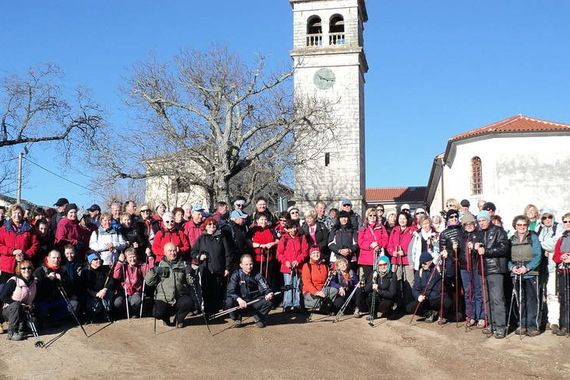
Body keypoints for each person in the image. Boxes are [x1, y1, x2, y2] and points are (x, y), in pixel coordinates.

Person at [145, 242, 197, 327]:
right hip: (163, 298)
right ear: (165, 252)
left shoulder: (183, 264)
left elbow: (191, 282)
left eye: (174, 250)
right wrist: (154, 271)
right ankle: (166, 319)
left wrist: (190, 273)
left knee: (188, 302)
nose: (173, 253)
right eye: (170, 251)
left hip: (179, 296)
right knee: (157, 312)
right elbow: (149, 282)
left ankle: (179, 320)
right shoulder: (159, 264)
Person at [476, 210, 510, 339]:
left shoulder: (499, 231)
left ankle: (501, 326)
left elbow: (504, 248)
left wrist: (487, 251)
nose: (481, 223)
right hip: (483, 269)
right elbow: (478, 248)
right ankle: (492, 324)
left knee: (497, 299)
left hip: (495, 269)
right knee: (487, 299)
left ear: (488, 220)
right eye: (479, 221)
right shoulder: (479, 233)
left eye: (483, 220)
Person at [508, 215, 542, 336]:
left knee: (532, 300)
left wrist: (527, 268)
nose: (522, 227)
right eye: (519, 225)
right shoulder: (511, 239)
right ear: (515, 226)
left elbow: (538, 256)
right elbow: (507, 258)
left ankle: (533, 326)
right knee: (520, 300)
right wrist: (512, 267)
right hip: (516, 273)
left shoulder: (533, 237)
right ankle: (522, 324)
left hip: (531, 273)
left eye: (524, 225)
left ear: (527, 225)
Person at [191, 217, 232, 314]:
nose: (212, 226)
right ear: (205, 226)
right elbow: (193, 252)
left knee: (217, 291)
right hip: (206, 270)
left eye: (214, 224)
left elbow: (228, 254)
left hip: (219, 269)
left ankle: (217, 311)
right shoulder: (201, 238)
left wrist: (227, 267)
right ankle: (208, 312)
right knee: (206, 291)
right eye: (209, 224)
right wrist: (199, 257)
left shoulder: (222, 237)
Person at [225, 254, 274, 328]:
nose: (249, 266)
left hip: (253, 301)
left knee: (269, 302)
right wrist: (239, 299)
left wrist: (269, 293)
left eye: (251, 264)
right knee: (229, 301)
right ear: (241, 265)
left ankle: (258, 317)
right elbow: (230, 290)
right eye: (246, 264)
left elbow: (265, 287)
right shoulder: (236, 274)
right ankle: (237, 318)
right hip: (240, 302)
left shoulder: (257, 274)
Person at [33, 249, 77, 325]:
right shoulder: (39, 271)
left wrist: (62, 280)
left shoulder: (63, 270)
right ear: (48, 258)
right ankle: (47, 319)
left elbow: (69, 288)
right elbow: (36, 289)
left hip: (58, 300)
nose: (56, 260)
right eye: (53, 258)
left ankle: (55, 318)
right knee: (40, 309)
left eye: (58, 258)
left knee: (74, 305)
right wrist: (47, 279)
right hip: (44, 301)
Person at [537, 208, 563, 334]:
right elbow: (537, 243)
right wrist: (545, 247)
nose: (547, 220)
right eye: (544, 217)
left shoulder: (558, 228)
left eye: (549, 217)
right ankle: (545, 319)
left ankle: (554, 321)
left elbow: (556, 244)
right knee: (543, 295)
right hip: (542, 266)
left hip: (553, 266)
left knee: (553, 294)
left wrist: (543, 245)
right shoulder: (540, 229)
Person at [0, 204, 39, 285]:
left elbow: (35, 245)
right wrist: (12, 251)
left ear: (23, 214)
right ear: (11, 214)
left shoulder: (29, 229)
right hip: (7, 266)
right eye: (14, 213)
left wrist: (25, 255)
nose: (17, 215)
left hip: (24, 267)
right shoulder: (3, 229)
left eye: (19, 213)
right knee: (5, 291)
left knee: (22, 291)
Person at [407, 252, 450, 323]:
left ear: (430, 261)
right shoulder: (420, 272)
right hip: (426, 299)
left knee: (447, 301)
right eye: (421, 263)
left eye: (424, 263)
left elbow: (449, 273)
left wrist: (447, 259)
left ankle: (441, 315)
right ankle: (429, 313)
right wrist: (418, 296)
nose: (423, 265)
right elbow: (415, 289)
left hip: (438, 298)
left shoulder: (438, 269)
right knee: (410, 308)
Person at [460, 213, 486, 328]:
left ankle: (481, 316)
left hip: (476, 266)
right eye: (467, 224)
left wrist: (475, 247)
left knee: (479, 292)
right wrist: (454, 250)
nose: (469, 226)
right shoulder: (461, 236)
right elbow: (457, 255)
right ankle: (470, 315)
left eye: (471, 223)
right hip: (465, 268)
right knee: (468, 292)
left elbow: (482, 247)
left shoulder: (479, 234)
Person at [0, 260, 37, 341]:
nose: (26, 270)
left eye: (29, 268)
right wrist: (19, 304)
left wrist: (31, 305)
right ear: (19, 270)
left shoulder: (34, 282)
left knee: (34, 325)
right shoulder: (14, 280)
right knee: (16, 305)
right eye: (23, 268)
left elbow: (36, 298)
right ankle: (12, 332)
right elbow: (3, 296)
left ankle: (21, 328)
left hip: (25, 310)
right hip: (10, 310)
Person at [113, 247, 155, 318]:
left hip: (136, 292)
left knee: (136, 301)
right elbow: (116, 276)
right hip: (124, 291)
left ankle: (134, 313)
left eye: (134, 257)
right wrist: (120, 261)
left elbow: (152, 270)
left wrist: (149, 256)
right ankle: (123, 314)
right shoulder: (123, 266)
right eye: (130, 257)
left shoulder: (140, 266)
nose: (133, 259)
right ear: (126, 258)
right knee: (118, 302)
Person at [276, 220, 308, 311]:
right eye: (290, 228)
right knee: (288, 285)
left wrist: (298, 261)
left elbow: (304, 252)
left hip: (298, 266)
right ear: (287, 229)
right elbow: (279, 254)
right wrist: (285, 262)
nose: (293, 230)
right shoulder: (284, 239)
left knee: (297, 285)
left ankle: (297, 304)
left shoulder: (301, 238)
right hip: (287, 267)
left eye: (294, 227)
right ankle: (288, 304)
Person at [387, 211, 415, 308]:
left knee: (409, 282)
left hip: (407, 260)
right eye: (400, 219)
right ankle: (397, 304)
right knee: (396, 281)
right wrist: (392, 252)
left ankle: (409, 303)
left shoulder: (412, 230)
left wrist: (406, 252)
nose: (402, 221)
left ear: (407, 220)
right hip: (396, 260)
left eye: (404, 218)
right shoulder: (394, 230)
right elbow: (389, 245)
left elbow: (414, 246)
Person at [358, 255, 397, 320]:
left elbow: (392, 294)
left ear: (388, 264)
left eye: (385, 264)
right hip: (376, 298)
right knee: (370, 296)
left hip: (386, 299)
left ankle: (388, 311)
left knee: (386, 304)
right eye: (380, 265)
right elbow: (366, 289)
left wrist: (378, 290)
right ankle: (372, 314)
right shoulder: (374, 273)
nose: (382, 266)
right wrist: (373, 281)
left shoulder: (392, 275)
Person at [357, 208, 388, 282]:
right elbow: (360, 242)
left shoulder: (381, 227)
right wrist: (370, 245)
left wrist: (378, 244)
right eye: (370, 215)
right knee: (369, 280)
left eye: (374, 215)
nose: (372, 217)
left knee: (379, 279)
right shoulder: (363, 228)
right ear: (367, 216)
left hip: (378, 257)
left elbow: (386, 239)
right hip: (366, 258)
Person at [81, 252, 114, 322]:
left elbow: (111, 281)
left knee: (107, 305)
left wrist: (105, 290)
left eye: (99, 259)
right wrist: (96, 294)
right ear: (90, 262)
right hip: (92, 295)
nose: (98, 260)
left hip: (104, 293)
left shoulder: (105, 269)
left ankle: (106, 314)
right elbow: (85, 287)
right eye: (95, 259)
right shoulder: (85, 272)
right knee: (96, 307)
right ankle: (93, 315)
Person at [302, 247, 337, 313]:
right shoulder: (307, 266)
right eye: (314, 253)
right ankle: (309, 305)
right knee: (317, 301)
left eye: (318, 253)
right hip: (310, 291)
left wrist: (332, 274)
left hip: (322, 290)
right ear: (310, 255)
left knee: (334, 290)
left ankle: (322, 307)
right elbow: (307, 283)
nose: (316, 255)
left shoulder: (325, 266)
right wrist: (316, 292)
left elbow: (328, 280)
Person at [553, 212, 570, 336]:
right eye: (565, 221)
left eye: (569, 221)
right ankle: (564, 325)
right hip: (563, 272)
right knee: (564, 299)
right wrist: (562, 257)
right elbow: (555, 256)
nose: (567, 224)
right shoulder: (561, 238)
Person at [250, 214, 277, 284]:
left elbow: (278, 240)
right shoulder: (253, 230)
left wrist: (272, 244)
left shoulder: (270, 229)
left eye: (265, 219)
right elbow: (248, 242)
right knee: (259, 277)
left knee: (270, 277)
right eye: (261, 219)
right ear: (257, 221)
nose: (264, 221)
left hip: (269, 258)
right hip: (258, 259)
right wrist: (260, 245)